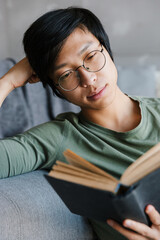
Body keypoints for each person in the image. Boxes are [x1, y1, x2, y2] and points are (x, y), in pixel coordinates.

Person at [0, 7, 160, 240]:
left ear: (107, 49)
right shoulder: (58, 138)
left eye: (91, 56)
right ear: (56, 89)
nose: (88, 78)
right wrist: (9, 81)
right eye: (66, 74)